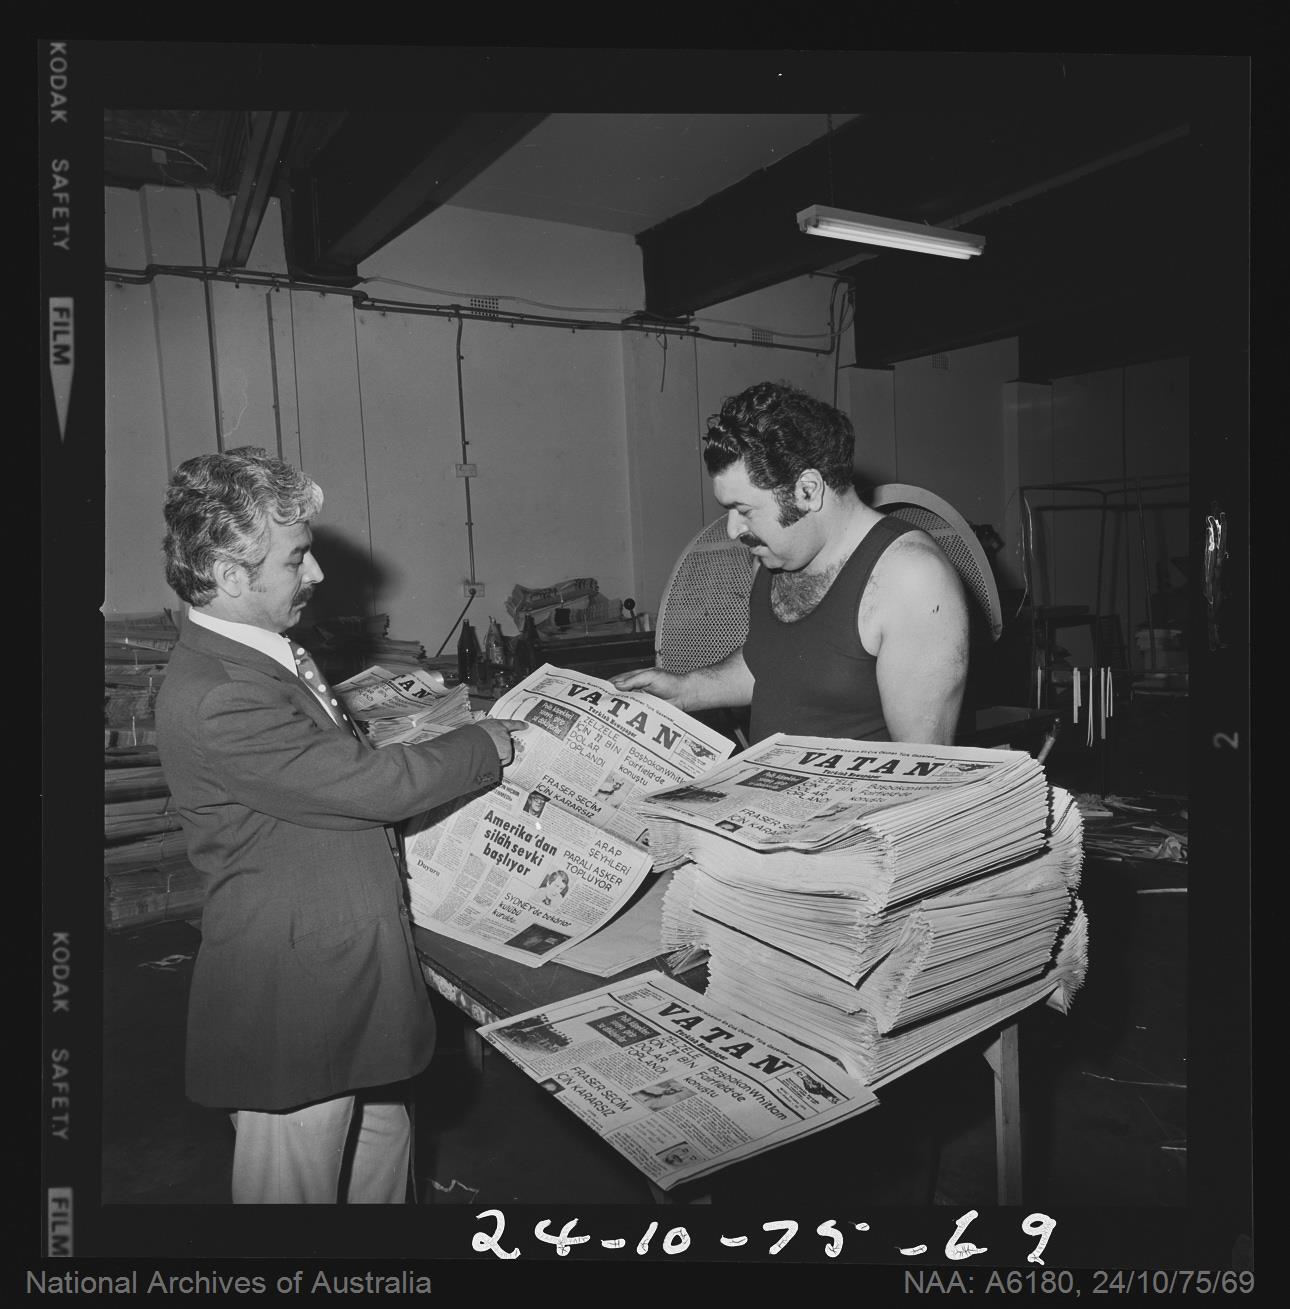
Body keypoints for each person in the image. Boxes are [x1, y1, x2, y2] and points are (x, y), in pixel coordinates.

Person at [154, 447, 528, 1205]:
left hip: (352, 969)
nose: (318, 572)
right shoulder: (221, 692)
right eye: (296, 558)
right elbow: (365, 785)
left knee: (381, 1164)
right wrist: (481, 744)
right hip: (297, 992)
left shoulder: (267, 653)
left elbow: (323, 773)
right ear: (230, 575)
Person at [612, 380, 969, 746]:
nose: (733, 530)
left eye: (744, 510)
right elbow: (773, 668)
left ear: (807, 491)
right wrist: (684, 690)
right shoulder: (773, 557)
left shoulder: (913, 578)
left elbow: (922, 762)